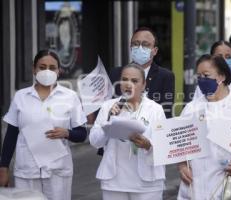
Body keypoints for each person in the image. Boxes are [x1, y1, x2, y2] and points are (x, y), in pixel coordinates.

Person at [0, 50, 87, 200]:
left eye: (52, 68)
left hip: (58, 171)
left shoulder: (70, 97)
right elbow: (11, 135)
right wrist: (3, 168)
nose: (47, 71)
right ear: (34, 69)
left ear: (59, 71)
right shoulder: (21, 97)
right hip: (27, 171)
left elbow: (82, 134)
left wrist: (67, 133)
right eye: (42, 67)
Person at [177, 54, 231, 200]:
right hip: (196, 183)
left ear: (221, 76)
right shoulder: (191, 108)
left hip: (230, 182)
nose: (202, 80)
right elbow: (179, 145)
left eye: (206, 75)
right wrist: (182, 166)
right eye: (199, 76)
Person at [89, 63, 166, 200]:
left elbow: (164, 148)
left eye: (134, 81)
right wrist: (109, 120)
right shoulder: (108, 106)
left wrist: (148, 145)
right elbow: (95, 141)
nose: (128, 84)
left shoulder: (156, 109)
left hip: (147, 183)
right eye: (125, 79)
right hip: (114, 182)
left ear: (143, 85)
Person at [109, 27, 175, 118]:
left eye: (145, 45)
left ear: (155, 51)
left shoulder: (165, 76)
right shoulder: (115, 73)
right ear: (131, 48)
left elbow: (166, 113)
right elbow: (110, 107)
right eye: (135, 44)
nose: (140, 48)